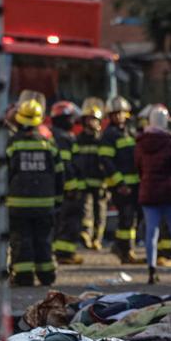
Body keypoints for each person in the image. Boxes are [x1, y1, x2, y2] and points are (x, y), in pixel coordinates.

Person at [6, 98, 63, 286]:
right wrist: (58, 199)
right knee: (43, 240)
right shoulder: (48, 145)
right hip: (45, 204)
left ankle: (23, 277)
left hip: (18, 203)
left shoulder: (12, 144)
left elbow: (1, 172)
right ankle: (47, 276)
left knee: (22, 240)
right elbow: (59, 173)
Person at [135, 105, 171, 285]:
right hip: (170, 192)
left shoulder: (141, 142)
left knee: (151, 233)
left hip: (149, 192)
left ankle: (152, 271)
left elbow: (138, 166)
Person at [99, 95, 141, 263]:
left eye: (121, 113)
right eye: (115, 114)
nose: (118, 116)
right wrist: (119, 183)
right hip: (120, 185)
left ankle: (121, 247)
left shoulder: (130, 131)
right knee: (126, 217)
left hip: (134, 183)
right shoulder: (109, 135)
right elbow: (106, 161)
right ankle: (125, 250)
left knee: (131, 218)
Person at [49, 101, 85, 265]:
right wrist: (71, 187)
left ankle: (64, 252)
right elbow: (65, 166)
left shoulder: (60, 135)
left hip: (64, 187)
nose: (73, 122)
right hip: (68, 189)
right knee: (69, 220)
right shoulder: (62, 138)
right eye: (70, 118)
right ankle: (64, 254)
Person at [76, 99, 107, 250]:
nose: (92, 122)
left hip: (100, 182)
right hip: (84, 181)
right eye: (89, 119)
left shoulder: (102, 140)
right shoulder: (79, 139)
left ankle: (97, 239)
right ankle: (86, 235)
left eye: (94, 119)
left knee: (100, 211)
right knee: (85, 210)